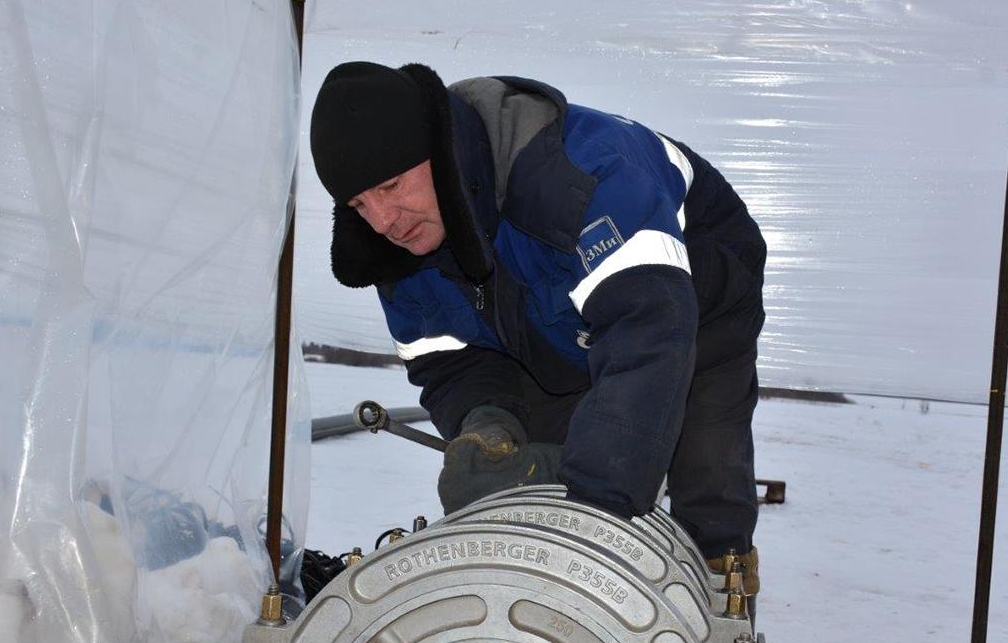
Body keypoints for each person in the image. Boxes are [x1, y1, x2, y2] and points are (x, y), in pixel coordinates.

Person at [309, 62, 767, 596]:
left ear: (442, 151)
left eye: (391, 185)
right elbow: (449, 361)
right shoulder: (402, 246)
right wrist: (488, 424)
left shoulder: (579, 178)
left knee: (699, 475)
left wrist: (596, 508)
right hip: (547, 321)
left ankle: (717, 631)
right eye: (360, 203)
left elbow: (646, 334)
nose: (384, 219)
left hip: (692, 294)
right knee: (529, 491)